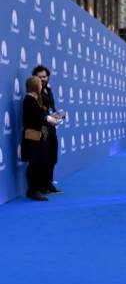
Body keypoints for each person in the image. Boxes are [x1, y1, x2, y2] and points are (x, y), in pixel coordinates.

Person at [20, 76, 56, 201]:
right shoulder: (29, 100)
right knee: (34, 164)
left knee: (38, 163)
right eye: (40, 84)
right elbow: (39, 117)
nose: (42, 86)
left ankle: (36, 188)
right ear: (35, 86)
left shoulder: (34, 100)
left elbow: (41, 116)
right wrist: (49, 119)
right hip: (32, 137)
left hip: (38, 136)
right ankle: (33, 190)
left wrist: (50, 119)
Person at [32, 65, 63, 194]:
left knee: (52, 157)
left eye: (45, 76)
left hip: (51, 129)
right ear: (35, 78)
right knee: (42, 159)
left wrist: (57, 115)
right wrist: (48, 117)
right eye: (40, 77)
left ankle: (48, 183)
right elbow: (38, 112)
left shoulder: (48, 91)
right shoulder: (35, 93)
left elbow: (51, 107)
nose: (43, 79)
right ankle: (40, 186)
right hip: (41, 130)